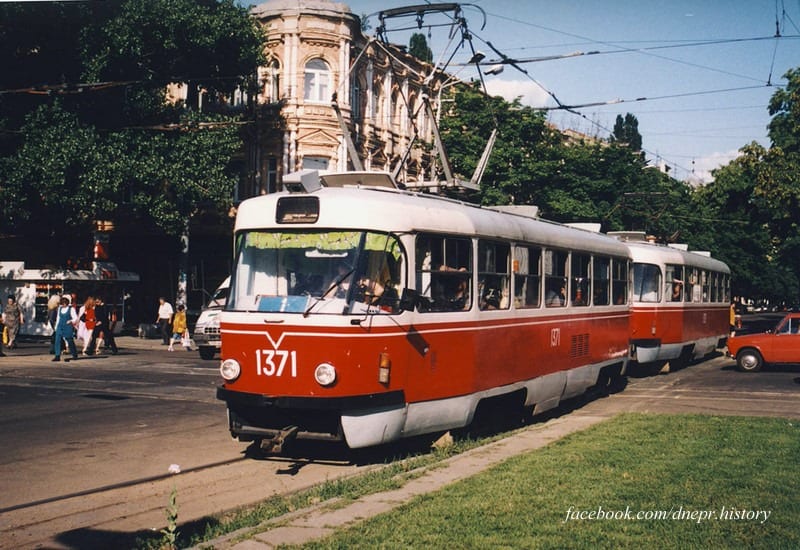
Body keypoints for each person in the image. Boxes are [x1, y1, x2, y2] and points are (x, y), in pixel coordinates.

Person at [53, 296, 79, 362]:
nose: (64, 305)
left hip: (67, 326)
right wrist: (56, 327)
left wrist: (70, 321)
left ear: (67, 303)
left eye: (65, 303)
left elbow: (75, 318)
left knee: (69, 340)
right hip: (60, 326)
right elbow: (58, 318)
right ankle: (57, 355)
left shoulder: (71, 309)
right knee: (57, 340)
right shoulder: (60, 308)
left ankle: (74, 354)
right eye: (62, 303)